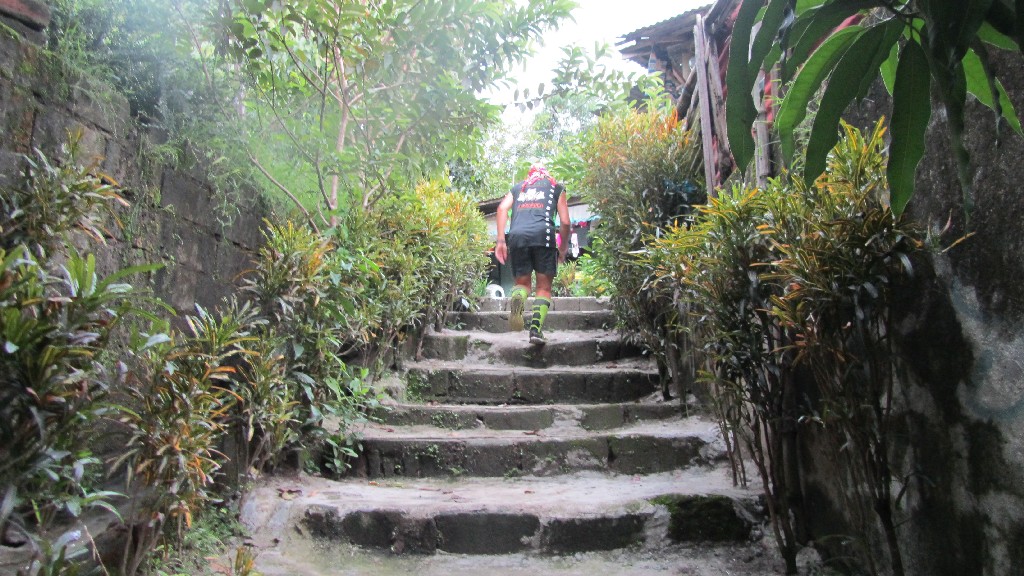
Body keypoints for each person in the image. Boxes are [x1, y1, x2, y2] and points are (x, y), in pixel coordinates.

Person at [494, 162, 570, 345]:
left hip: (517, 237)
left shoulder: (518, 188)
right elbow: (566, 222)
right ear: (546, 174)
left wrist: (501, 240)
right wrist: (563, 248)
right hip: (543, 236)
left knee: (522, 284)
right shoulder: (556, 187)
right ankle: (535, 330)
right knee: (543, 288)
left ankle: (518, 298)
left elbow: (502, 208)